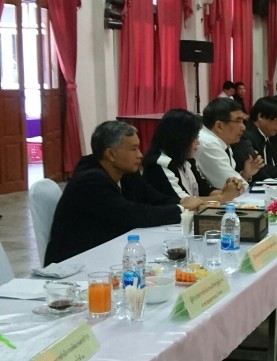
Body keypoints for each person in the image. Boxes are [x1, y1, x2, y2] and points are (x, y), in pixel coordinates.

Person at [44, 121, 203, 265]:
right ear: (111, 154)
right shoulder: (90, 180)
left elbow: (154, 198)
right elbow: (133, 215)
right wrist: (181, 209)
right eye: (133, 149)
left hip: (109, 251)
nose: (140, 155)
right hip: (74, 262)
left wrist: (182, 202)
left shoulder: (126, 172)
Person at [142, 109, 243, 203]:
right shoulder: (158, 164)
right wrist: (224, 197)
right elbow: (184, 202)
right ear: (180, 138)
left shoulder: (186, 159)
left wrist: (229, 190)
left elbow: (205, 190)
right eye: (195, 137)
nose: (198, 142)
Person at [195, 98, 263, 190]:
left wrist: (245, 175)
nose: (243, 127)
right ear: (219, 126)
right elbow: (233, 188)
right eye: (238, 121)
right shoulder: (209, 144)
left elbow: (233, 185)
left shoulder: (223, 142)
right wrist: (241, 182)